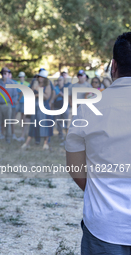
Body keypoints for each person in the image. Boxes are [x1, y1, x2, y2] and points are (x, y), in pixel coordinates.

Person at [66, 32, 131, 255]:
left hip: (105, 225)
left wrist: (99, 189)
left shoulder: (88, 109)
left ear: (113, 66)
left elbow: (76, 169)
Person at [21, 69, 52, 150]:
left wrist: (38, 92)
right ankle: (27, 143)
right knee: (33, 125)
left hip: (44, 107)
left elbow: (46, 97)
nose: (40, 78)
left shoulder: (47, 85)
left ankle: (46, 144)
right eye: (39, 76)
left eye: (42, 77)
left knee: (45, 125)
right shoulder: (35, 83)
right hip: (35, 107)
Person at [0, 67, 18, 143]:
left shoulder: (12, 83)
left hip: (7, 105)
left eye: (6, 73)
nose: (4, 75)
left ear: (8, 74)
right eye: (3, 73)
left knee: (8, 122)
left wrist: (11, 102)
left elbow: (15, 95)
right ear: (1, 74)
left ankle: (8, 138)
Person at [16, 71, 30, 142]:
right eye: (20, 77)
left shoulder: (27, 84)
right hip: (18, 102)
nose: (21, 78)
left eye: (22, 76)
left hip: (25, 102)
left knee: (24, 119)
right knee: (18, 118)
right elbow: (16, 92)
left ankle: (23, 135)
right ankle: (20, 135)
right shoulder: (17, 83)